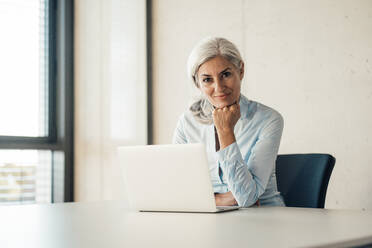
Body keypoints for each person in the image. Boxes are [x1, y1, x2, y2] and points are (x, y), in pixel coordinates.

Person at [173, 37, 285, 207]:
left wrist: (225, 131)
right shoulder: (187, 122)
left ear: (240, 71)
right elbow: (177, 189)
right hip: (210, 218)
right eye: (207, 80)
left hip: (263, 219)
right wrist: (223, 199)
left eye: (225, 75)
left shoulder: (268, 120)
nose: (219, 87)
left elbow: (245, 198)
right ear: (197, 83)